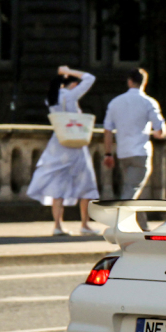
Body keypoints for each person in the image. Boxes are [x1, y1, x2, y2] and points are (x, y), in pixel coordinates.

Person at [26, 65, 100, 235]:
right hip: (75, 143)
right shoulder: (71, 96)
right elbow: (90, 78)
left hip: (58, 143)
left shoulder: (51, 98)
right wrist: (68, 71)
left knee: (57, 186)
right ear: (73, 84)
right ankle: (85, 224)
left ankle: (58, 225)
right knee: (86, 184)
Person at [102, 68, 166, 228]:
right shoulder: (148, 102)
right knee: (132, 190)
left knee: (133, 189)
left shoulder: (115, 102)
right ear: (144, 82)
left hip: (123, 152)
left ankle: (143, 227)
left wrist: (108, 153)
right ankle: (118, 222)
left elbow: (108, 130)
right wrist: (160, 130)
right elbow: (160, 132)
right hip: (140, 151)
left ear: (129, 81)